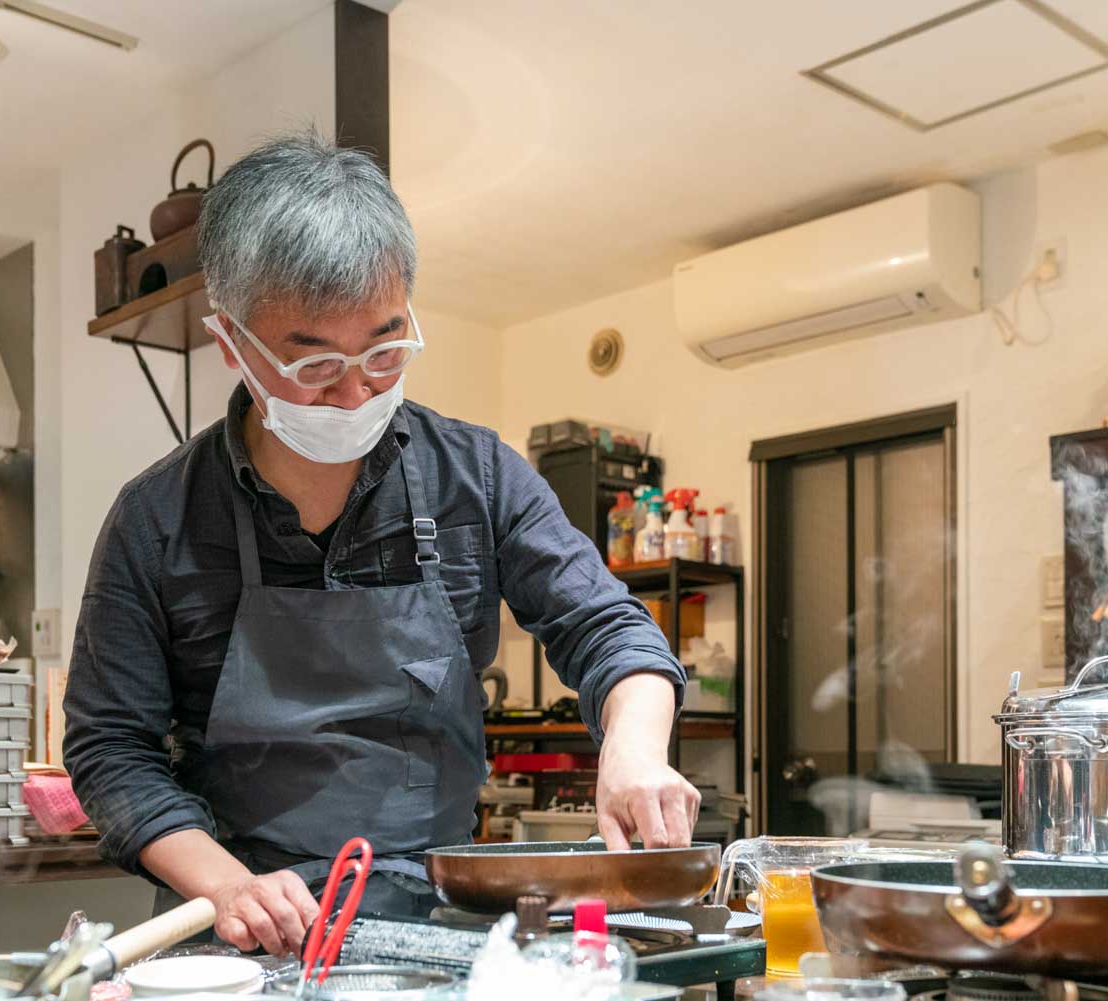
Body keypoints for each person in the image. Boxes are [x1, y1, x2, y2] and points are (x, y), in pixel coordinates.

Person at [64, 130, 697, 958]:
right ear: (233, 347)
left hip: (435, 920)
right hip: (236, 934)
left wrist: (634, 750)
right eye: (318, 364)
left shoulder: (478, 476)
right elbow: (110, 747)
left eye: (386, 349)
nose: (359, 388)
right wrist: (227, 885)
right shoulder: (157, 518)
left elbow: (610, 630)